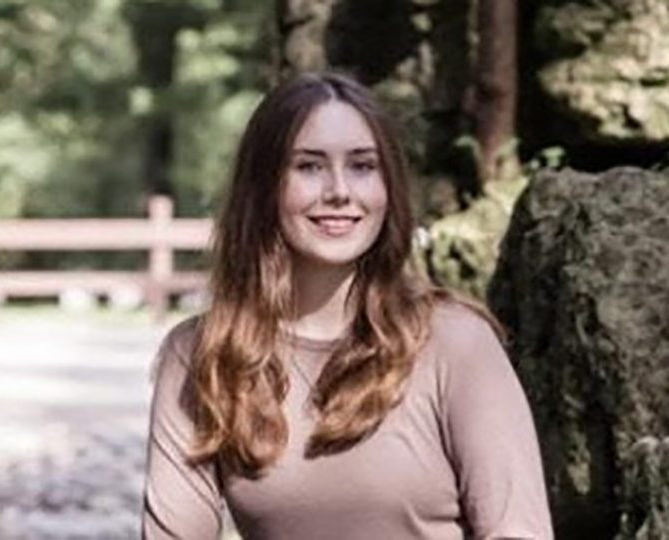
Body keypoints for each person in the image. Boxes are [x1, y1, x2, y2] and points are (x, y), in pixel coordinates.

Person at [142, 72, 553, 540]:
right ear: (264, 186)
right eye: (309, 166)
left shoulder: (458, 345)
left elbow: (518, 531)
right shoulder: (202, 355)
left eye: (362, 166)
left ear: (388, 187)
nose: (339, 190)